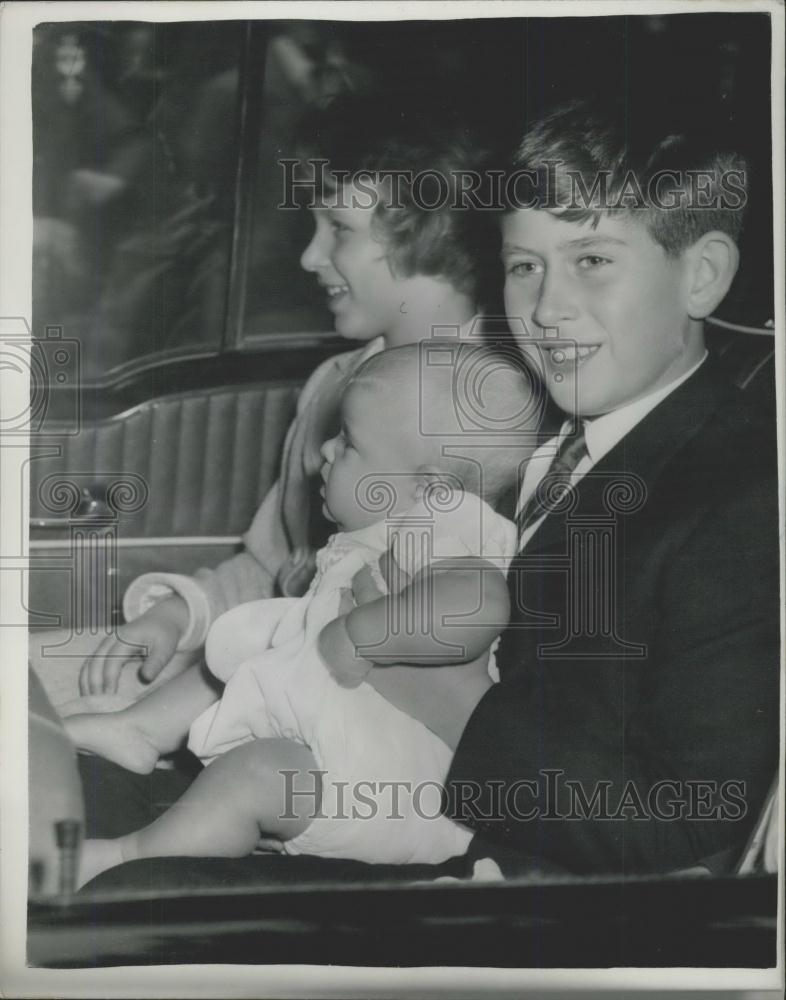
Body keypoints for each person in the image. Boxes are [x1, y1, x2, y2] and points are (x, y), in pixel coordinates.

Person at [31, 94, 491, 717]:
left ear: (428, 231)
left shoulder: (495, 416)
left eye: (338, 229)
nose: (308, 256)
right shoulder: (335, 381)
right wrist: (179, 614)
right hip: (267, 661)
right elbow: (276, 566)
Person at [440, 100, 779, 877]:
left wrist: (450, 710)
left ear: (702, 276)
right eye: (525, 266)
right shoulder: (553, 442)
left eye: (592, 259)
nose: (546, 308)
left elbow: (693, 821)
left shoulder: (745, 501)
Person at [67, 344, 536, 886]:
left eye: (351, 444)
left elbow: (479, 603)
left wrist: (368, 634)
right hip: (341, 748)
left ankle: (129, 858)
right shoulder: (387, 536)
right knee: (241, 647)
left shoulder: (446, 527)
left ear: (432, 490)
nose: (326, 451)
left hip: (392, 793)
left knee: (256, 775)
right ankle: (140, 731)